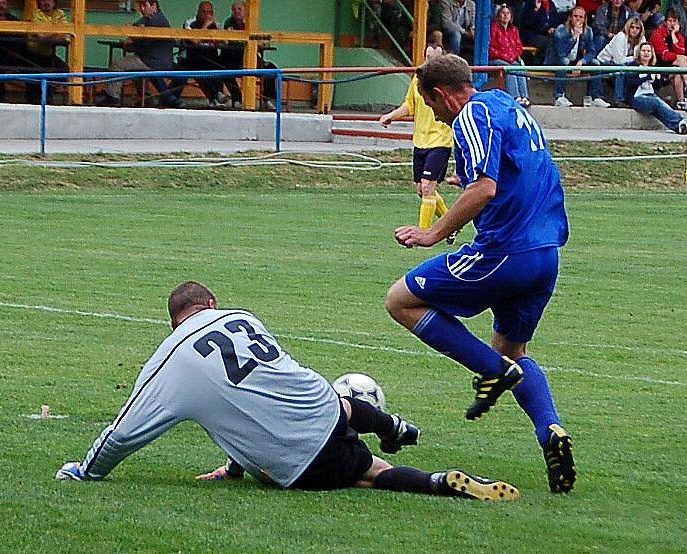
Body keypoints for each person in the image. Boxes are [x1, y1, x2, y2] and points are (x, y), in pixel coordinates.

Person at [55, 281, 521, 503]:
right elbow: (258, 389)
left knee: (370, 474)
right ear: (212, 304)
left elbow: (122, 434)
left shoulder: (169, 358)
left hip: (294, 458)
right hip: (326, 408)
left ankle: (437, 481)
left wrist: (86, 472)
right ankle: (398, 428)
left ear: (174, 321)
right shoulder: (243, 317)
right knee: (335, 416)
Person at [385, 54, 576, 495]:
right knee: (514, 349)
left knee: (400, 300)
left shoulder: (469, 112)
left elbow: (486, 189)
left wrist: (433, 232)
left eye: (431, 108)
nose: (436, 116)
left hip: (505, 251)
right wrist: (467, 181)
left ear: (439, 94)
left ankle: (494, 371)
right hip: (546, 252)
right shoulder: (508, 105)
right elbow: (513, 173)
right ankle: (551, 431)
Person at [379, 36, 456, 237]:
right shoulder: (417, 79)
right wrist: (391, 116)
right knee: (422, 190)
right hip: (420, 142)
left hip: (440, 141)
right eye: (427, 58)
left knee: (428, 187)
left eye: (435, 59)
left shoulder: (447, 83)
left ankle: (423, 233)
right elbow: (409, 105)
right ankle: (451, 226)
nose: (429, 63)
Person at [98, 0, 183, 109]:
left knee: (118, 64)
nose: (142, 9)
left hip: (153, 61)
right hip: (153, 59)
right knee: (134, 67)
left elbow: (144, 41)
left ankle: (112, 97)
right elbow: (138, 32)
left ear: (154, 5)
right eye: (140, 5)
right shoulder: (148, 19)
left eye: (145, 5)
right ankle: (146, 97)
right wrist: (133, 35)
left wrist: (131, 39)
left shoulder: (156, 21)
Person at [545, 6, 610, 107]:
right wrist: (574, 37)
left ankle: (596, 97)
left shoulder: (588, 31)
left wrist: (582, 61)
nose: (578, 19)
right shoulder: (561, 30)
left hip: (576, 62)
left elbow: (591, 52)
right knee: (565, 61)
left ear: (584, 19)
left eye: (581, 17)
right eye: (575, 16)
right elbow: (561, 53)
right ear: (570, 17)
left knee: (595, 63)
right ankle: (559, 96)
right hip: (557, 61)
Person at [169, 1, 230, 109]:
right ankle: (216, 95)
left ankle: (217, 96)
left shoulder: (215, 24)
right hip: (189, 58)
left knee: (218, 64)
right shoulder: (189, 23)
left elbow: (223, 42)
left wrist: (218, 31)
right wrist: (206, 26)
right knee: (201, 66)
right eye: (204, 12)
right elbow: (195, 40)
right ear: (198, 12)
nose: (207, 15)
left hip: (207, 59)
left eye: (210, 12)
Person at [221, 0, 277, 110]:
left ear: (246, 11)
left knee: (271, 68)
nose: (236, 12)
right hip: (233, 58)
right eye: (234, 9)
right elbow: (227, 40)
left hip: (251, 58)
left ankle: (268, 99)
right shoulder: (229, 22)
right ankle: (237, 98)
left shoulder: (251, 22)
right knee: (224, 70)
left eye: (239, 9)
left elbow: (259, 41)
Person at [624, 42, 687, 132]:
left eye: (649, 51)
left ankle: (679, 127)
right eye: (643, 51)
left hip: (651, 95)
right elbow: (630, 83)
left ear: (652, 54)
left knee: (662, 106)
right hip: (636, 97)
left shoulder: (653, 67)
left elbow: (658, 86)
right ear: (639, 53)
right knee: (656, 103)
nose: (646, 53)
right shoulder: (633, 66)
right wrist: (647, 77)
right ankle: (681, 121)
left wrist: (658, 79)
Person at [25, 0, 69, 104]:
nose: (46, 3)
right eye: (43, 0)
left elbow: (66, 33)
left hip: (49, 54)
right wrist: (55, 33)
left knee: (64, 70)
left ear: (54, 2)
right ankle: (34, 100)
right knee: (37, 72)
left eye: (49, 0)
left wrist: (49, 35)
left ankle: (49, 95)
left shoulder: (60, 14)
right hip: (33, 53)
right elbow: (40, 35)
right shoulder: (36, 14)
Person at [596, 16, 646, 106]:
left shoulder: (642, 39)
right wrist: (634, 58)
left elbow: (642, 59)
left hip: (624, 64)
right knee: (622, 69)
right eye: (632, 27)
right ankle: (619, 100)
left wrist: (635, 59)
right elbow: (618, 61)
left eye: (637, 28)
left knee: (635, 69)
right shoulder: (621, 36)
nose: (634, 30)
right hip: (605, 63)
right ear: (628, 27)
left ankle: (635, 98)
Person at [489, 4, 531, 106]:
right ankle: (515, 96)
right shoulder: (493, 28)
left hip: (511, 59)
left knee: (518, 67)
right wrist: (506, 56)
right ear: (498, 16)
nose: (505, 16)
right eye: (503, 13)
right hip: (496, 59)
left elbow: (519, 47)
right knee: (510, 68)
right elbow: (490, 48)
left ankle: (524, 96)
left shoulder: (514, 30)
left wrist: (511, 56)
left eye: (508, 13)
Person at [650, 9, 687, 109]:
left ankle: (681, 102)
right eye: (670, 21)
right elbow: (664, 56)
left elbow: (682, 51)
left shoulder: (679, 36)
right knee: (681, 59)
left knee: (678, 73)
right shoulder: (658, 34)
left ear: (678, 23)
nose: (672, 24)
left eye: (675, 21)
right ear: (665, 22)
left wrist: (674, 35)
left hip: (673, 68)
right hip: (659, 68)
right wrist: (677, 57)